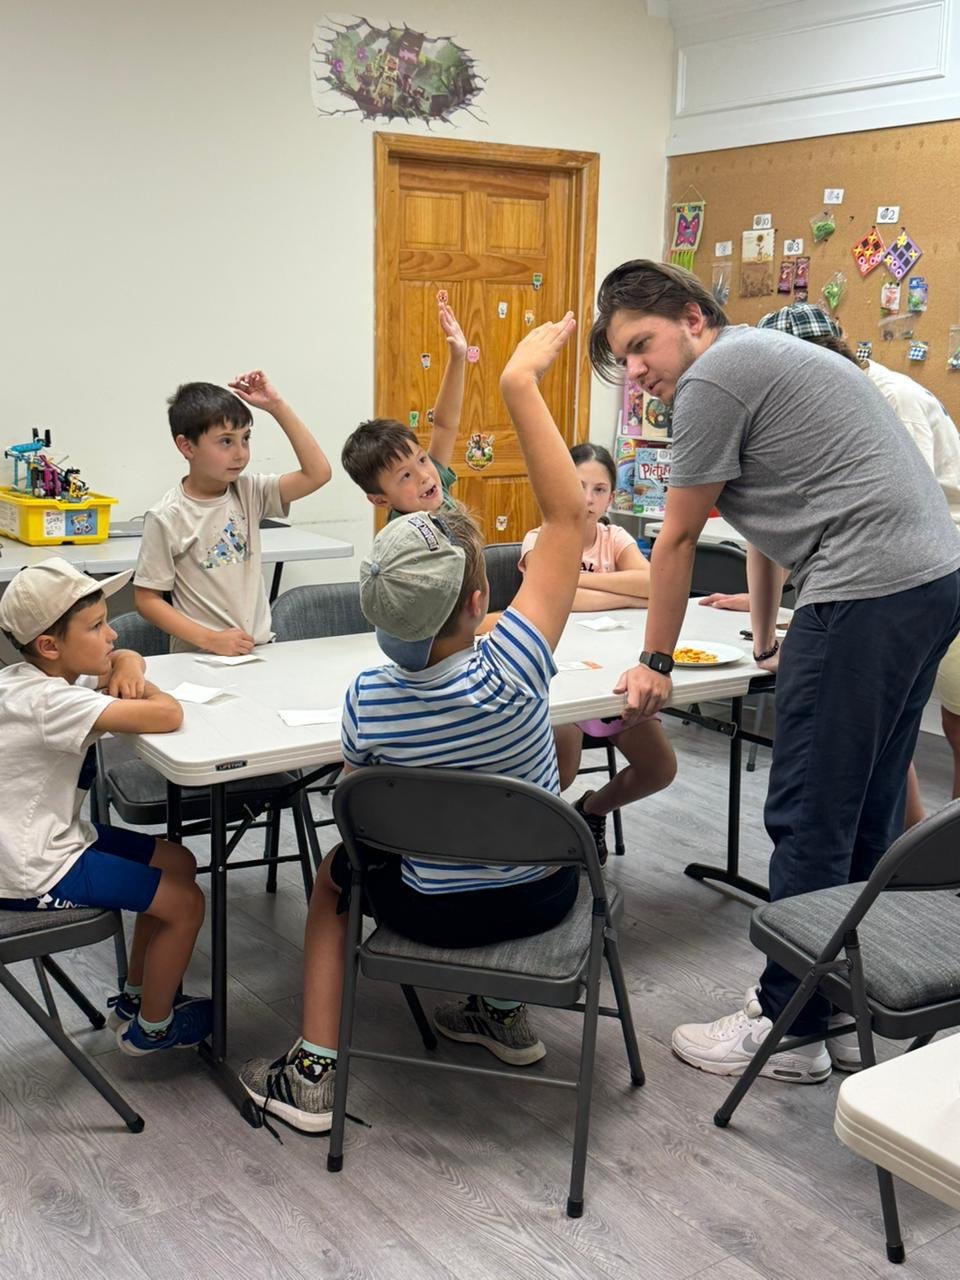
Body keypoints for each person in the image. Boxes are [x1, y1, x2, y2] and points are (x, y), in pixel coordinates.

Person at [588, 259, 960, 1085]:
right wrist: (766, 638)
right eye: (626, 359)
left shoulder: (716, 379)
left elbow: (675, 541)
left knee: (809, 812)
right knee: (865, 804)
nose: (638, 370)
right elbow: (769, 530)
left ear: (690, 314)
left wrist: (654, 661)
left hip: (867, 584)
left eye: (641, 345)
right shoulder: (764, 359)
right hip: (928, 581)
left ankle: (785, 1020)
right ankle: (841, 1004)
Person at [239, 313, 586, 1134]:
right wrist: (518, 381)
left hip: (426, 911)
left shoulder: (369, 698)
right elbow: (567, 521)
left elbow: (363, 805)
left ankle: (314, 1072)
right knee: (525, 792)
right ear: (481, 600)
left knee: (336, 873)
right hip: (546, 895)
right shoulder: (520, 664)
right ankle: (500, 1008)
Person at [0, 558, 212, 1054]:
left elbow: (128, 654)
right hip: (33, 869)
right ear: (50, 646)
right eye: (96, 626)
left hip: (47, 839)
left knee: (177, 859)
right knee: (186, 903)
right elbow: (167, 714)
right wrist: (136, 679)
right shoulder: (54, 704)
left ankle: (136, 998)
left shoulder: (36, 680)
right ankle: (153, 1030)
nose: (112, 634)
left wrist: (127, 664)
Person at [519, 442, 676, 860]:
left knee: (660, 769)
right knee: (562, 772)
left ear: (611, 496)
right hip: (558, 677)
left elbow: (652, 586)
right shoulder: (541, 538)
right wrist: (612, 589)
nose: (588, 500)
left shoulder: (615, 536)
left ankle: (590, 811)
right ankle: (537, 850)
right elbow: (559, 600)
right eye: (578, 486)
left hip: (613, 674)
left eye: (600, 490)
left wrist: (576, 583)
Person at [134, 371, 332, 654]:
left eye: (246, 438)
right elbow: (146, 600)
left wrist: (277, 407)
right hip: (199, 657)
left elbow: (318, 473)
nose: (240, 453)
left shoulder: (250, 491)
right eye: (226, 441)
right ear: (186, 446)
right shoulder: (168, 516)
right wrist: (209, 639)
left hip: (256, 651)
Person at [341, 293, 467, 519]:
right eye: (405, 476)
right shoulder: (405, 535)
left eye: (422, 459)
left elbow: (445, 425)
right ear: (381, 500)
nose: (424, 476)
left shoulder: (431, 488)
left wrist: (458, 357)